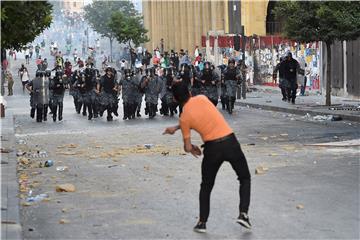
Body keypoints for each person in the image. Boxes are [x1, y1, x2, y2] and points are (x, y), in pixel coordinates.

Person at [163, 82, 252, 233]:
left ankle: (202, 222)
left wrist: (191, 147)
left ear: (176, 99)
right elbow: (202, 114)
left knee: (206, 186)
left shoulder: (184, 117)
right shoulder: (203, 98)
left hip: (212, 149)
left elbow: (187, 145)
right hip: (230, 142)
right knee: (244, 178)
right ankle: (243, 214)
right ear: (189, 92)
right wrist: (177, 127)